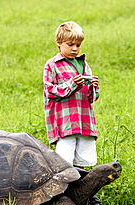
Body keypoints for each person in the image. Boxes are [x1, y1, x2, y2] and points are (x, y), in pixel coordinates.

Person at [43, 21, 100, 167]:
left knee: (84, 160)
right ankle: (64, 189)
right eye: (70, 45)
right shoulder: (52, 65)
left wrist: (93, 87)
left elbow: (92, 98)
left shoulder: (84, 65)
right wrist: (72, 84)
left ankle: (82, 187)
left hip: (85, 120)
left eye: (78, 45)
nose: (75, 49)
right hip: (65, 122)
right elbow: (50, 91)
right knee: (64, 162)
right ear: (59, 42)